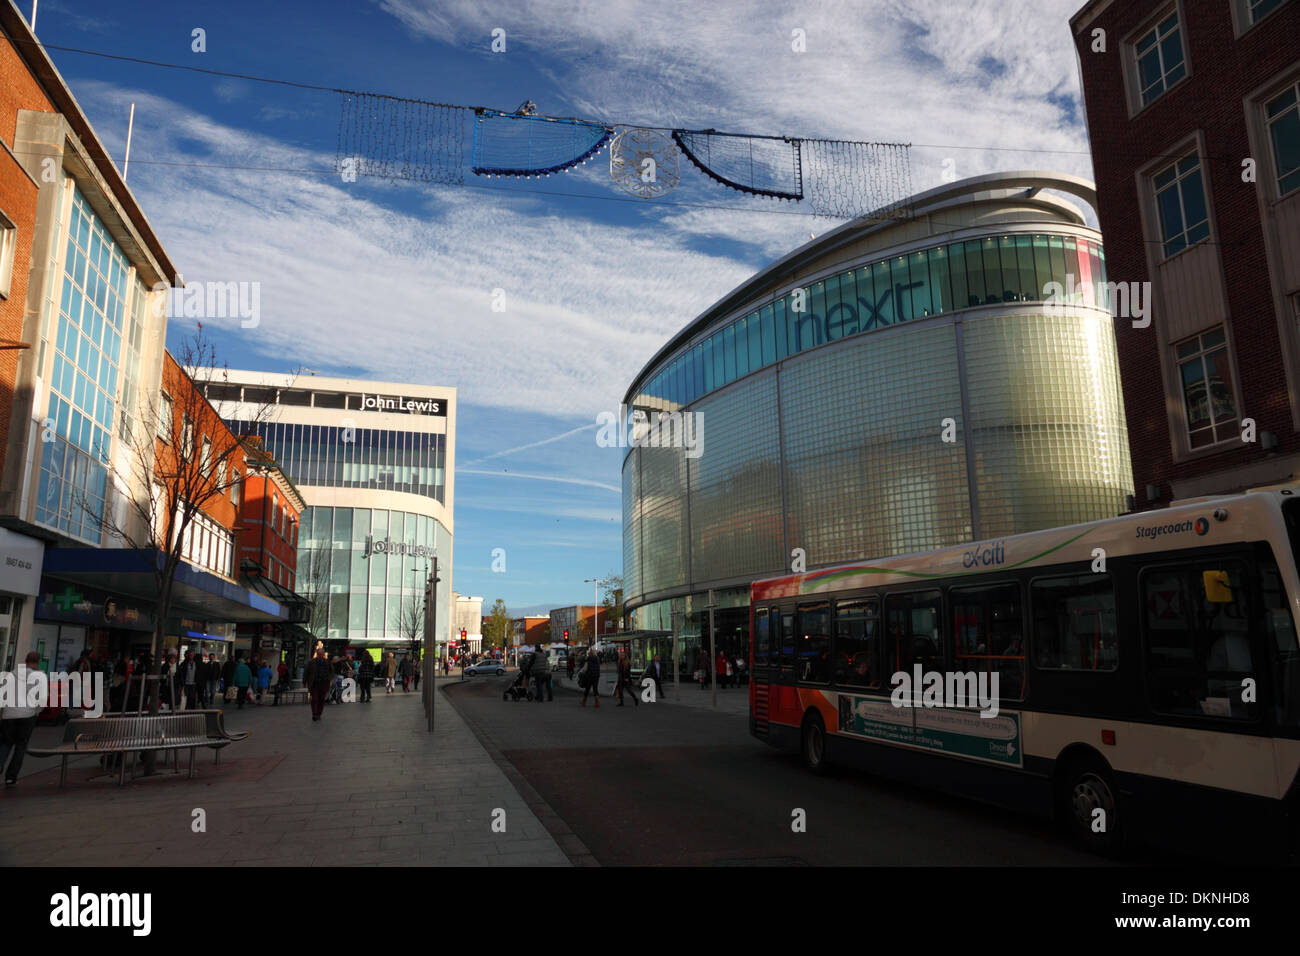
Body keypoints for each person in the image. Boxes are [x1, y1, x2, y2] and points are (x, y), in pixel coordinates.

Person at [0, 651, 42, 786]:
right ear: (38, 662)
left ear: (25, 660)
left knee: (5, 743)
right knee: (20, 747)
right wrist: (36, 712)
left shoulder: (12, 674)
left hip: (9, 715)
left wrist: (3, 711)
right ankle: (11, 777)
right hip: (27, 716)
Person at [304, 647, 333, 721]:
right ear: (317, 654)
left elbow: (331, 671)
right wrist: (304, 681)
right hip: (315, 684)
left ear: (323, 654)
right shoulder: (311, 662)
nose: (320, 655)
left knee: (321, 699)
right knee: (315, 699)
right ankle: (314, 714)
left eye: (321, 654)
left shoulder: (327, 662)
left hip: (324, 683)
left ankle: (319, 714)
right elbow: (306, 672)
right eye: (319, 654)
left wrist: (330, 679)